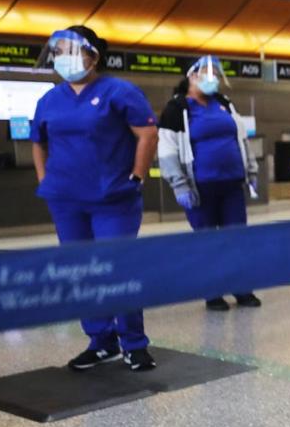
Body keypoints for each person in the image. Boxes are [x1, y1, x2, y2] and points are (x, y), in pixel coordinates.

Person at [30, 26, 159, 372]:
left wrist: (137, 175)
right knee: (81, 272)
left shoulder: (119, 91)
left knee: (117, 269)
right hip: (67, 201)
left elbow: (147, 133)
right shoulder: (49, 99)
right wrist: (46, 180)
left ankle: (134, 343)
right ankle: (101, 341)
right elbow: (37, 141)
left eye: (71, 50)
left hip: (113, 199)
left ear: (93, 55)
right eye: (58, 51)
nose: (63, 57)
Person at [158, 55, 263, 311]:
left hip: (231, 185)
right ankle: (212, 292)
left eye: (216, 73)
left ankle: (241, 288)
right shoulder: (178, 109)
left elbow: (242, 139)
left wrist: (251, 170)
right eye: (207, 73)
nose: (213, 78)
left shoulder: (224, 104)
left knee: (236, 239)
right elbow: (167, 150)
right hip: (199, 188)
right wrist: (179, 184)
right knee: (207, 241)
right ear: (191, 76)